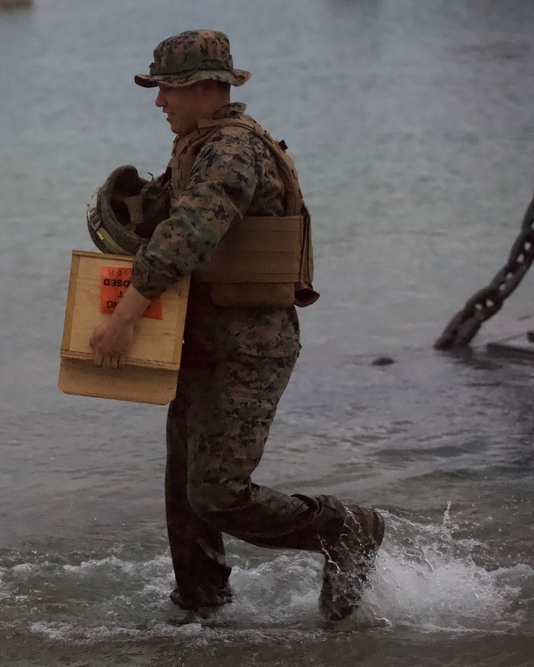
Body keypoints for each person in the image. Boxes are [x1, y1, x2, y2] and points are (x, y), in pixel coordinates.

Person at [88, 29, 385, 622]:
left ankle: (343, 527)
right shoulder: (199, 146)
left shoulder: (231, 152)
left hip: (249, 349)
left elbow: (187, 237)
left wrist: (123, 318)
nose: (158, 102)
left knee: (217, 492)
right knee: (185, 495)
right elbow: (159, 217)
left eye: (166, 89)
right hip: (201, 341)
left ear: (204, 86)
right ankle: (201, 604)